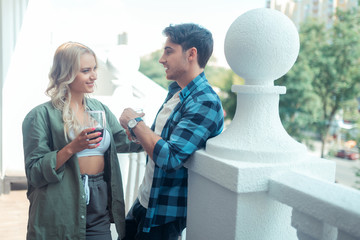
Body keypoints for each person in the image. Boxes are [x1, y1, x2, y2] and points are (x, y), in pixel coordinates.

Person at [22, 42, 142, 240]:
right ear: (66, 73)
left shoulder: (99, 108)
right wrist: (71, 148)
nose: (94, 76)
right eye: (86, 70)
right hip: (60, 203)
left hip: (99, 200)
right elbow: (35, 172)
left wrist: (140, 128)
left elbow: (122, 141)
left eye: (94, 68)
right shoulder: (40, 116)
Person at [120, 23, 224, 240]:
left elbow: (170, 157)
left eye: (169, 51)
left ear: (191, 54)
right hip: (144, 200)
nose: (162, 59)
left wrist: (134, 124)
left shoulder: (204, 101)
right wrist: (140, 134)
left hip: (163, 216)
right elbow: (164, 141)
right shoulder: (178, 91)